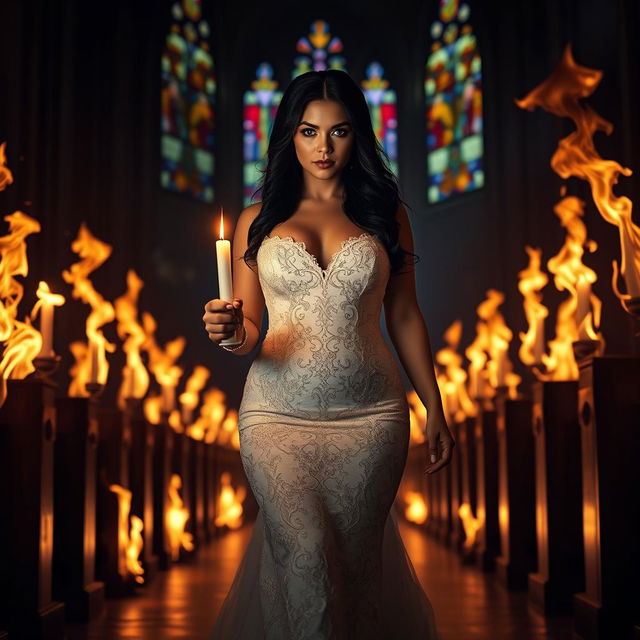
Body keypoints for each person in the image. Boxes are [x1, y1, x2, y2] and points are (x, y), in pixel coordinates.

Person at [203, 69, 453, 639]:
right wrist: (225, 330)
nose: (323, 147)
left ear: (358, 137)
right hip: (275, 417)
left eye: (338, 132)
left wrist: (434, 405)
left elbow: (406, 315)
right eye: (309, 131)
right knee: (307, 553)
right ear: (289, 136)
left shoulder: (388, 215)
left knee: (357, 570)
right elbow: (246, 334)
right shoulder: (256, 222)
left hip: (372, 419)